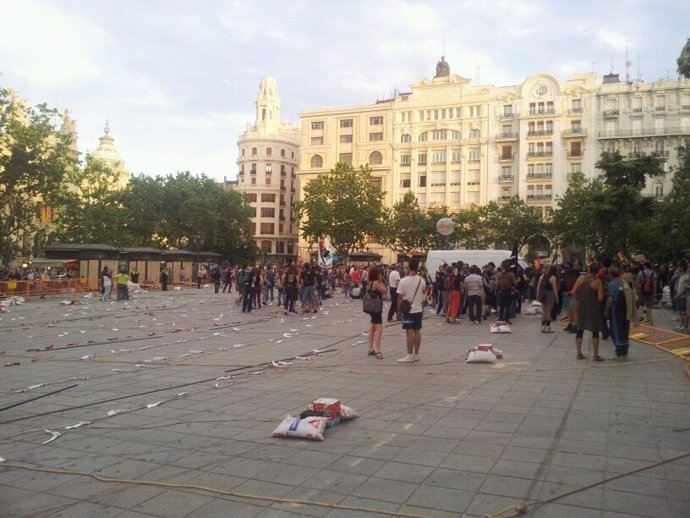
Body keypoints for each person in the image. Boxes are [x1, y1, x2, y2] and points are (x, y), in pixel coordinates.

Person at [572, 262, 605, 361]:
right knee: (595, 330)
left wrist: (580, 298)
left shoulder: (581, 278)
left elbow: (573, 292)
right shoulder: (598, 281)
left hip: (581, 306)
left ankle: (579, 353)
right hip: (593, 307)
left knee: (580, 329)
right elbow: (600, 298)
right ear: (598, 271)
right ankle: (595, 355)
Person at [397, 258, 427, 363]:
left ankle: (409, 355)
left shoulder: (403, 281)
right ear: (417, 267)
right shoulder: (421, 280)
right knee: (417, 330)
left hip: (408, 310)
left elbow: (400, 297)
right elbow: (424, 296)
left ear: (409, 267)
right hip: (418, 309)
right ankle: (416, 354)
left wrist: (398, 310)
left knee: (409, 331)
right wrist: (422, 308)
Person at [606, 267, 635, 359]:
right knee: (625, 329)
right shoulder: (625, 282)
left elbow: (610, 299)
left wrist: (606, 310)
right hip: (626, 309)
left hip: (616, 309)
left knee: (616, 330)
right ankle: (625, 352)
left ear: (611, 275)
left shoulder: (612, 284)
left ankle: (619, 351)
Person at [365, 266, 387, 359]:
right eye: (380, 274)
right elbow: (385, 290)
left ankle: (370, 348)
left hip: (371, 308)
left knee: (372, 328)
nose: (381, 275)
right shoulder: (376, 283)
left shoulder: (370, 283)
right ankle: (378, 350)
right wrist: (381, 281)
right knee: (379, 329)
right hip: (376, 309)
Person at [537, 265, 559, 333]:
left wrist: (537, 295)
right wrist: (556, 297)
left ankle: (543, 327)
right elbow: (554, 288)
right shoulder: (553, 277)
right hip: (550, 294)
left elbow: (538, 286)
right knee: (549, 312)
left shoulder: (542, 276)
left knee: (544, 312)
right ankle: (548, 327)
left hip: (543, 294)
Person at [637, 261, 657, 326]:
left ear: (645, 266)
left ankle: (640, 316)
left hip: (642, 291)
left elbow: (638, 282)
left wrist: (638, 290)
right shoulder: (654, 273)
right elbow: (655, 284)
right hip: (650, 292)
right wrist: (654, 292)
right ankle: (648, 318)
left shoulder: (641, 272)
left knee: (641, 303)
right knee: (649, 305)